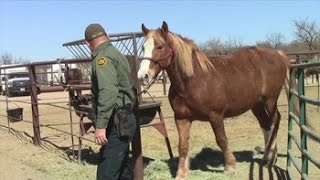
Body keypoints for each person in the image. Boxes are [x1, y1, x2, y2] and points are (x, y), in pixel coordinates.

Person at [85, 23, 137, 180]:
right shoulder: (115, 53)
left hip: (116, 121)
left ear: (87, 43)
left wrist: (100, 125)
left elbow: (108, 92)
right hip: (124, 118)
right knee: (121, 168)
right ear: (106, 35)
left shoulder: (103, 58)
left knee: (107, 173)